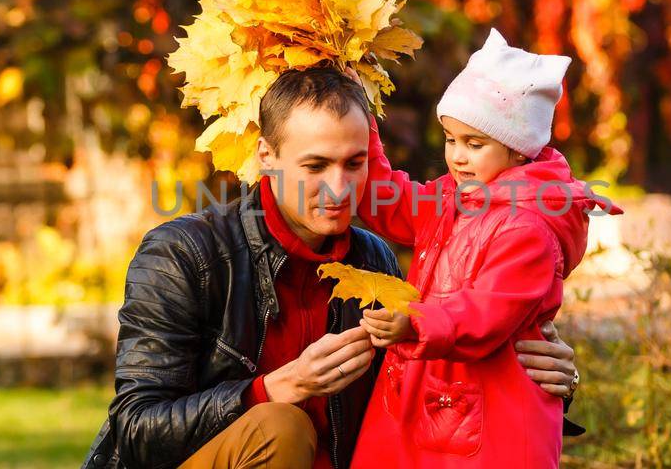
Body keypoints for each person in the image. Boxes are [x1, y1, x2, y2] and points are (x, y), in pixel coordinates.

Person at [79, 66, 582, 469]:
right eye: (315, 166)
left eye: (355, 163)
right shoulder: (187, 255)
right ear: (267, 157)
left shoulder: (372, 262)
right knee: (283, 428)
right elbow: (137, 429)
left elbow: (430, 387)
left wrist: (521, 366)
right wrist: (276, 387)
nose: (340, 188)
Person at [350, 30, 620, 468]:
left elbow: (485, 311)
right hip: (436, 392)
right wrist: (359, 118)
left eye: (475, 144)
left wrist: (414, 324)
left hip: (496, 407)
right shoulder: (453, 198)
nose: (457, 156)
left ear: (517, 151)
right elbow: (391, 199)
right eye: (450, 138)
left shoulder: (528, 228)